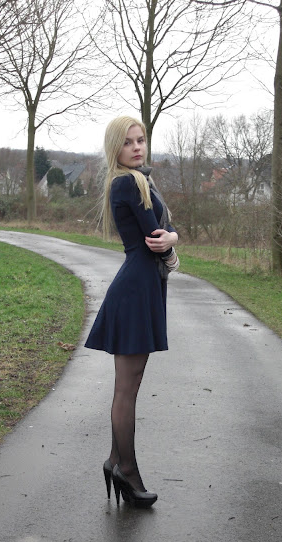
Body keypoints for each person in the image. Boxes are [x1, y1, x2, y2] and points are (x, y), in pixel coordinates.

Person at [84, 115, 179, 508]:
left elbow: (159, 237)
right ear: (115, 148)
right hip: (136, 290)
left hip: (141, 286)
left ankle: (115, 460)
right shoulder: (128, 182)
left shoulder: (139, 180)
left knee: (129, 386)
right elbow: (157, 239)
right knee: (127, 389)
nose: (137, 147)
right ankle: (128, 471)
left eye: (140, 139)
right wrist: (173, 240)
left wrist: (170, 239)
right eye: (128, 142)